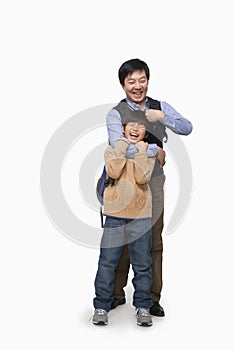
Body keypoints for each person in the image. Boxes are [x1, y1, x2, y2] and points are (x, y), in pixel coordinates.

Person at [106, 58, 193, 317]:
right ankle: (115, 294)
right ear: (123, 84)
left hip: (153, 181)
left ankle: (152, 298)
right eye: (131, 81)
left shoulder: (159, 107)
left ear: (147, 81)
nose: (137, 85)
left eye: (141, 80)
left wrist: (163, 117)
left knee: (153, 239)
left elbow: (187, 127)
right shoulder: (116, 113)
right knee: (121, 238)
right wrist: (156, 149)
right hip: (123, 180)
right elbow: (117, 146)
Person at [92, 110, 156, 327]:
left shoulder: (147, 153)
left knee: (143, 265)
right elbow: (114, 170)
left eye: (141, 125)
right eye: (131, 124)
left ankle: (143, 306)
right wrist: (121, 146)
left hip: (141, 217)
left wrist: (140, 151)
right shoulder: (112, 149)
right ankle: (101, 305)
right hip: (114, 216)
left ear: (146, 131)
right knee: (107, 263)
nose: (136, 128)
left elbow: (141, 176)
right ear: (122, 128)